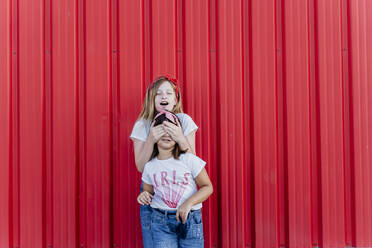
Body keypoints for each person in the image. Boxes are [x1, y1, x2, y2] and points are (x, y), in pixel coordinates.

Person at [130, 75, 198, 247]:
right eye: (158, 93)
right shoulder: (143, 125)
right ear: (151, 99)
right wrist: (151, 138)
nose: (164, 97)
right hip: (154, 192)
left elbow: (194, 163)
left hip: (183, 189)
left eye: (168, 93)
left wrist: (180, 138)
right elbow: (140, 166)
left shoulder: (184, 121)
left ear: (175, 100)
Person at [137, 111, 213, 248]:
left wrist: (189, 203)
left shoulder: (189, 159)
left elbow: (207, 187)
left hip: (190, 219)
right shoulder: (149, 166)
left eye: (170, 130)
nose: (166, 134)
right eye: (161, 130)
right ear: (154, 135)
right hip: (161, 223)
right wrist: (144, 196)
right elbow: (148, 193)